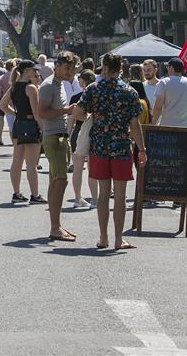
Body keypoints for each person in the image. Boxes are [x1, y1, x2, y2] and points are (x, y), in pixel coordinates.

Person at [75, 53, 145, 250]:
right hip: (121, 146)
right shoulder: (130, 91)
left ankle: (103, 237)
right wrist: (142, 149)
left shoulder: (93, 89)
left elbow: (78, 113)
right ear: (120, 68)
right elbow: (134, 124)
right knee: (120, 195)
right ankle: (118, 239)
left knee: (104, 193)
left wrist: (95, 116)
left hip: (98, 146)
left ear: (104, 67)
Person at [36, 51, 80, 242]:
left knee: (57, 180)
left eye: (72, 69)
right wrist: (67, 110)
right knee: (60, 181)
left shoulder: (59, 84)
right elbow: (42, 113)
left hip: (59, 137)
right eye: (68, 68)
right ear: (58, 66)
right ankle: (55, 227)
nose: (71, 72)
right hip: (54, 138)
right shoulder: (48, 86)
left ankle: (56, 226)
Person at [0, 60, 43, 204]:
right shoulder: (31, 88)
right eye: (33, 70)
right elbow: (36, 113)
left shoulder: (14, 87)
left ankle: (16, 193)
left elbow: (2, 105)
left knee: (17, 161)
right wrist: (43, 128)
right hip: (30, 125)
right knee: (31, 164)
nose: (36, 72)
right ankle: (35, 195)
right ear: (26, 71)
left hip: (18, 125)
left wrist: (16, 114)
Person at [70, 69, 98, 209]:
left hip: (79, 132)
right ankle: (94, 199)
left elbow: (73, 117)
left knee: (77, 168)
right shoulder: (98, 95)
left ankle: (77, 197)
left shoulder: (77, 97)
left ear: (82, 81)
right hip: (94, 133)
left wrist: (67, 134)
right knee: (92, 168)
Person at [153, 58, 187, 129]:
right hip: (184, 127)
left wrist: (152, 124)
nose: (167, 68)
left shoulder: (163, 83)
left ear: (171, 67)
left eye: (167, 66)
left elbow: (158, 108)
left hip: (166, 126)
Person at [0, 59, 15, 146]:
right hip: (18, 103)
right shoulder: (17, 76)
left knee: (11, 127)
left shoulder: (1, 78)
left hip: (7, 104)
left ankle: (13, 143)